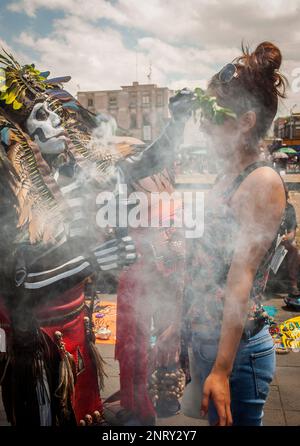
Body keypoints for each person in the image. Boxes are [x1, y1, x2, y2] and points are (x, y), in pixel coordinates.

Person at [0, 52, 137, 426]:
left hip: (75, 333)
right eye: (42, 115)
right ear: (19, 133)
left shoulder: (64, 180)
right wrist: (93, 261)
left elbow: (72, 248)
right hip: (39, 345)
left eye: (56, 112)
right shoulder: (8, 191)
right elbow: (20, 282)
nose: (57, 121)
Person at [184, 42, 287, 426]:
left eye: (211, 115)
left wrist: (222, 370)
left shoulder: (261, 181)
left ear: (245, 121)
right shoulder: (225, 173)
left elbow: (240, 278)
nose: (203, 126)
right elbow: (208, 259)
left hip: (239, 354)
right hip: (209, 340)